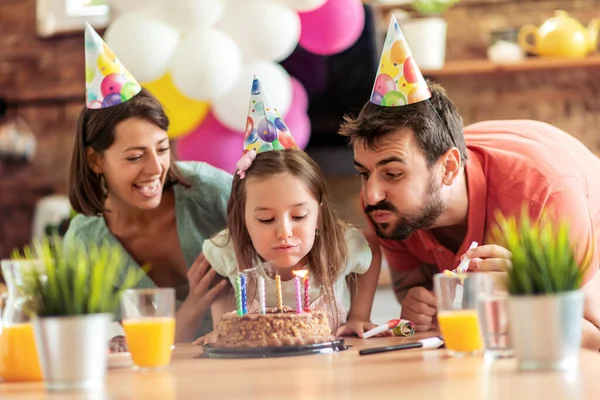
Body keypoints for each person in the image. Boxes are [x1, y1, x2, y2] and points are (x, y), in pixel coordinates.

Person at [338, 16, 600, 350]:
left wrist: (525, 297)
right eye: (364, 172)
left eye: (393, 174)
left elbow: (593, 340)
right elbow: (419, 296)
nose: (371, 194)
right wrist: (420, 308)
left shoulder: (545, 197)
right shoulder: (388, 208)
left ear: (447, 167)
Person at [64, 24, 231, 342]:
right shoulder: (85, 244)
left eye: (162, 149)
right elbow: (103, 343)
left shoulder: (211, 193)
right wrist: (194, 306)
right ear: (95, 160)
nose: (156, 168)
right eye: (135, 157)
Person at [195, 77, 385, 343]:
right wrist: (223, 329)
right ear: (243, 220)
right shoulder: (230, 251)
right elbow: (220, 284)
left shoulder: (340, 247)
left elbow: (372, 249)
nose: (284, 232)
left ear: (318, 215)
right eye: (265, 219)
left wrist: (359, 314)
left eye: (299, 216)